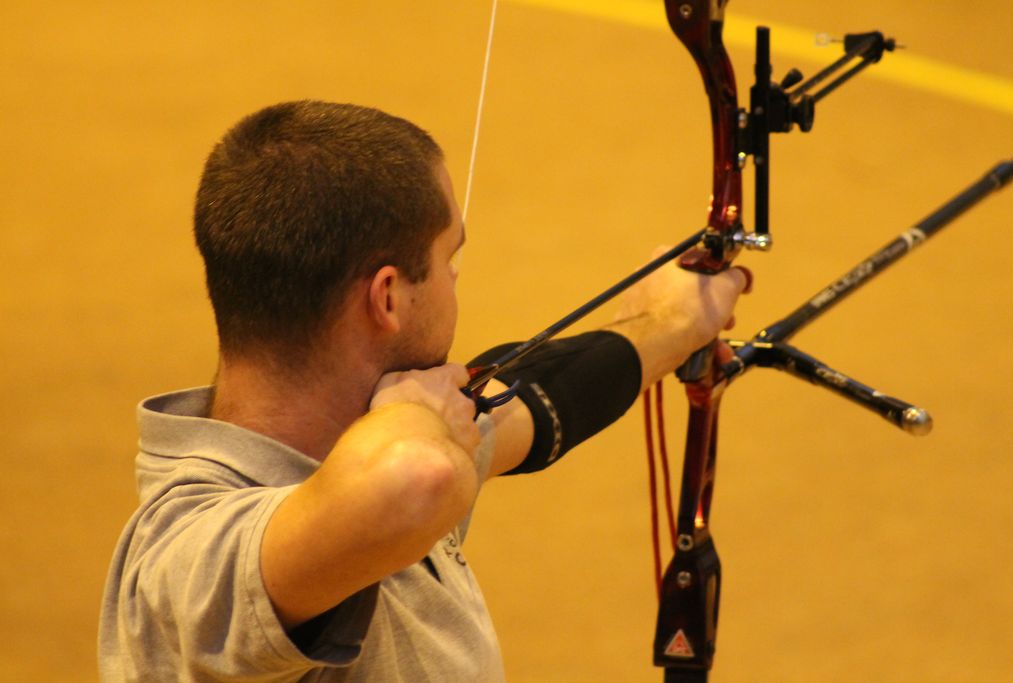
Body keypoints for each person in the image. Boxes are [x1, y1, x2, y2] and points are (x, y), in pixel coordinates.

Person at [98, 100, 749, 681]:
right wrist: (418, 418)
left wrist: (666, 324)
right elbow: (419, 476)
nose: (455, 277)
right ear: (386, 297)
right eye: (448, 258)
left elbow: (530, 401)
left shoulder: (371, 435)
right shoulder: (194, 561)